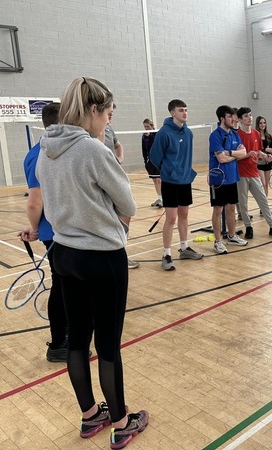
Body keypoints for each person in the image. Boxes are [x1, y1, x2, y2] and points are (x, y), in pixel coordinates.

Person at [36, 76, 148, 447]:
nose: (109, 120)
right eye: (109, 113)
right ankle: (121, 421)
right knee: (109, 346)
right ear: (93, 110)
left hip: (64, 255)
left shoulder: (44, 146)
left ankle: (89, 416)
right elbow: (128, 204)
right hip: (101, 257)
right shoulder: (92, 150)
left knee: (78, 341)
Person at [19, 102, 68, 363]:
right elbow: (34, 200)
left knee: (65, 283)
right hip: (56, 233)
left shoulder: (39, 151)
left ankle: (66, 334)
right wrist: (36, 227)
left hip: (58, 230)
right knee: (61, 285)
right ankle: (59, 342)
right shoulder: (45, 153)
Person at [150, 99, 204, 271]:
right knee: (171, 219)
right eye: (181, 110)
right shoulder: (164, 133)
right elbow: (155, 157)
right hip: (170, 182)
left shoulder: (188, 133)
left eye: (186, 110)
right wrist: (169, 171)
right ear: (173, 113)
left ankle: (184, 247)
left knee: (184, 216)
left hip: (185, 180)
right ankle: (166, 254)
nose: (185, 113)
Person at [236, 107, 272, 239]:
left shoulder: (256, 134)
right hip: (241, 173)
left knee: (263, 200)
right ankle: (248, 226)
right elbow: (234, 156)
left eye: (250, 115)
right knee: (243, 203)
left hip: (254, 172)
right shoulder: (236, 135)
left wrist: (265, 156)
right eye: (246, 116)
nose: (249, 118)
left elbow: (258, 151)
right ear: (240, 119)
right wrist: (247, 154)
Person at [101, 106, 139, 269]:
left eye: (111, 114)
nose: (110, 118)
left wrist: (120, 157)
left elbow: (118, 145)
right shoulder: (88, 137)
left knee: (125, 215)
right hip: (102, 183)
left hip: (114, 179)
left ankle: (121, 254)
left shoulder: (109, 130)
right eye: (108, 114)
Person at [209, 105, 249, 254]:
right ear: (222, 119)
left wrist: (231, 152)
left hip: (232, 177)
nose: (234, 119)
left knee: (231, 208)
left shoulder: (234, 134)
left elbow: (243, 152)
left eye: (234, 116)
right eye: (230, 116)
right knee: (218, 210)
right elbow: (221, 158)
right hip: (218, 180)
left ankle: (232, 236)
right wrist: (235, 155)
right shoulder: (215, 136)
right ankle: (218, 241)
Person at [141, 118, 162, 208]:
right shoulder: (144, 136)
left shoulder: (157, 134)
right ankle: (159, 197)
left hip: (157, 160)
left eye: (148, 126)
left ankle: (163, 199)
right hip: (150, 162)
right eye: (145, 127)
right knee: (154, 180)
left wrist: (150, 136)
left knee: (159, 180)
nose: (146, 128)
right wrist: (145, 160)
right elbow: (144, 149)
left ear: (152, 126)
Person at [255, 116, 272, 197]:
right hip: (259, 163)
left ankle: (265, 204)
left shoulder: (268, 136)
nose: (263, 124)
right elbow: (255, 149)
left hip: (268, 163)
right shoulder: (255, 135)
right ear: (258, 124)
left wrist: (270, 152)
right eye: (261, 123)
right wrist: (264, 150)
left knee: (266, 184)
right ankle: (262, 204)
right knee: (263, 183)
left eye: (264, 123)